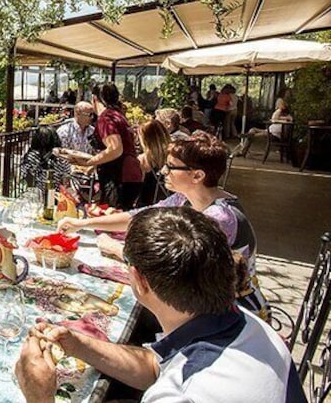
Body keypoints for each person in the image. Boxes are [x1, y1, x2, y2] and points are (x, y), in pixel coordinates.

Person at [16, 206, 306, 403]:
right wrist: (77, 344)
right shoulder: (248, 325)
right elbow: (160, 366)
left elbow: (174, 380)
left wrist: (39, 396)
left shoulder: (183, 394)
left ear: (139, 281)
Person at [58, 132, 269, 318]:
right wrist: (82, 223)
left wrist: (114, 248)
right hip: (200, 299)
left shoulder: (219, 217)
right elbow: (139, 216)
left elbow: (165, 264)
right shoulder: (185, 198)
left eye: (171, 167)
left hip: (230, 314)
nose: (162, 171)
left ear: (197, 175)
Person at [66, 82, 142, 210]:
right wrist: (95, 165)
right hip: (130, 174)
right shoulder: (118, 115)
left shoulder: (106, 118)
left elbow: (115, 149)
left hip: (119, 177)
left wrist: (89, 162)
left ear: (94, 98)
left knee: (112, 217)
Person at [136, 120, 171, 206]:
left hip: (149, 206)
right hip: (171, 203)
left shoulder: (142, 160)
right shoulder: (173, 156)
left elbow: (138, 187)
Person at [20, 124, 65, 189]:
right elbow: (65, 181)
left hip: (35, 194)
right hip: (56, 194)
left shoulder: (31, 157)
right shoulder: (61, 158)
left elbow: (25, 177)